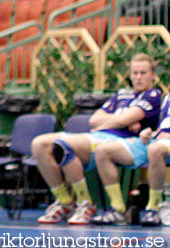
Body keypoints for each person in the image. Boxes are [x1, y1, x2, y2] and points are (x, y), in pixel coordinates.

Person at [32, 53, 161, 226]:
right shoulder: (122, 95)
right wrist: (118, 120)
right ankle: (64, 202)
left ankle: (85, 203)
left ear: (153, 75)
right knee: (39, 144)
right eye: (134, 73)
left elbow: (121, 120)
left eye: (143, 73)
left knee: (63, 146)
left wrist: (114, 121)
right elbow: (94, 120)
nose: (138, 77)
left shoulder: (152, 95)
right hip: (97, 136)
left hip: (120, 142)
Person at [138, 94, 170, 226]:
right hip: (162, 140)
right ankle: (154, 207)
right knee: (153, 148)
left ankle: (155, 205)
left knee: (155, 149)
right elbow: (163, 125)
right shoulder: (168, 97)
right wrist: (151, 132)